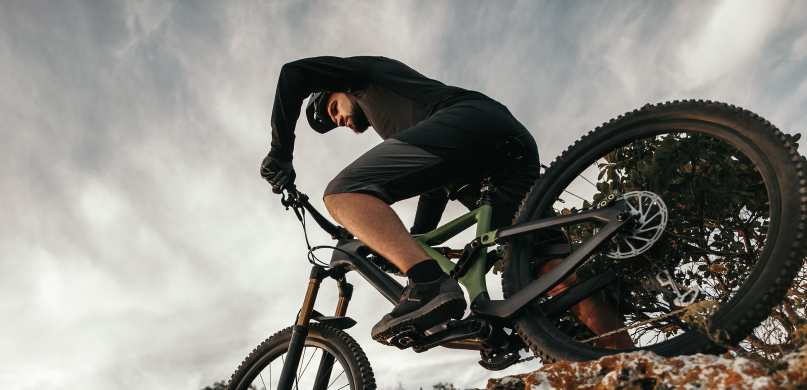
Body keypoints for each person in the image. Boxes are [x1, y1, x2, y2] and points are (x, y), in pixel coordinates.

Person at [260, 55, 632, 348]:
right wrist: (409, 241)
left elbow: (294, 73)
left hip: (468, 122)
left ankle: (427, 284)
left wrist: (280, 153)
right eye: (335, 122)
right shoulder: (405, 128)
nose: (339, 119)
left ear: (338, 89)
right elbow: (435, 190)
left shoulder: (365, 78)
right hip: (502, 154)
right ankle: (630, 358)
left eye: (333, 109)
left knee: (342, 193)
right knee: (551, 271)